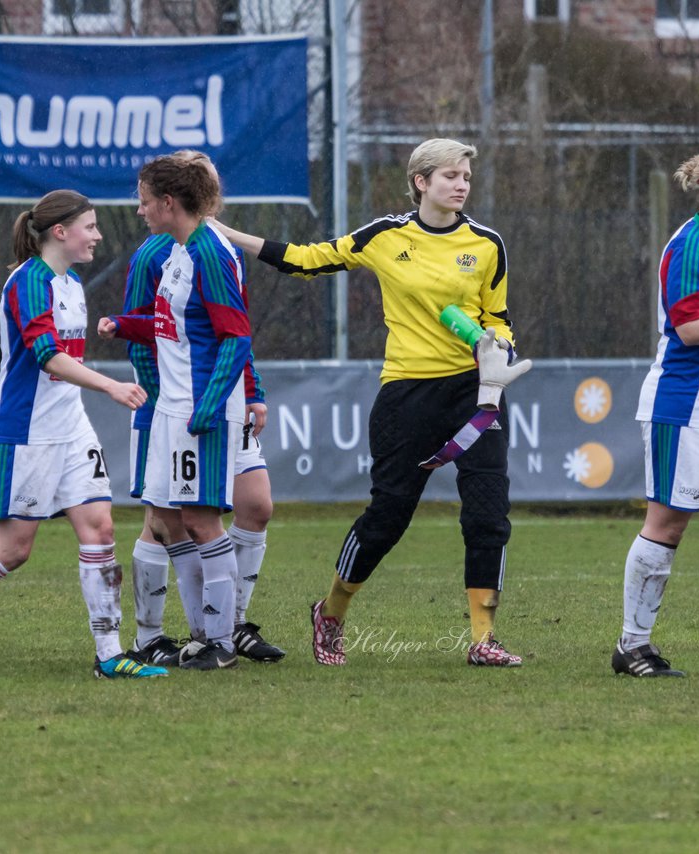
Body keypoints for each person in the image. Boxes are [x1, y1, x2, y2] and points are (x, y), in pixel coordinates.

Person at [213, 137, 529, 668]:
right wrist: (224, 231)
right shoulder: (385, 235)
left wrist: (499, 348)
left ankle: (483, 638)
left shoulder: (488, 243)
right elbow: (304, 260)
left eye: (466, 178)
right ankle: (331, 614)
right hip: (406, 395)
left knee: (489, 515)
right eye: (450, 176)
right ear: (421, 182)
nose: (461, 186)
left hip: (475, 396)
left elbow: (498, 316)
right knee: (388, 517)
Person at [0, 189, 165, 682]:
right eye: (89, 226)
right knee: (14, 549)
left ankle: (109, 654)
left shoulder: (72, 284)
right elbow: (47, 355)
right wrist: (110, 385)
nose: (98, 235)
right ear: (60, 232)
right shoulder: (28, 282)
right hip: (26, 432)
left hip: (71, 428)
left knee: (100, 529)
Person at [114, 154, 283, 667]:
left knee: (205, 520)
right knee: (172, 520)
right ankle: (190, 635)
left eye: (144, 200)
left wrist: (216, 402)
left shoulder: (210, 251)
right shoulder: (173, 254)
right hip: (172, 408)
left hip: (198, 409)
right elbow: (171, 329)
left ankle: (221, 639)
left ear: (169, 201)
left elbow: (234, 333)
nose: (139, 209)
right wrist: (123, 326)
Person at [613, 143, 699, 678]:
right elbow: (689, 328)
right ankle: (632, 647)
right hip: (685, 411)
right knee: (666, 526)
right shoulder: (692, 246)